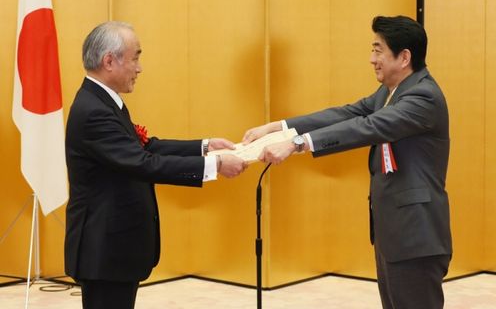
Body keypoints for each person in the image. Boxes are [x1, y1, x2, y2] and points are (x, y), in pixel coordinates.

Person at [243, 16, 452, 309]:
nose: (372, 59)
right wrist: (279, 127)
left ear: (404, 57)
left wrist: (297, 144)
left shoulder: (423, 96)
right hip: (394, 233)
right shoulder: (391, 91)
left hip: (416, 236)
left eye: (378, 50)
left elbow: (365, 127)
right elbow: (347, 114)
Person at [64, 21, 247, 309]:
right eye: (135, 57)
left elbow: (144, 146)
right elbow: (142, 162)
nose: (139, 68)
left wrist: (204, 146)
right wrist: (215, 165)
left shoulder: (104, 101)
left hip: (114, 247)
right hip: (103, 250)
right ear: (109, 61)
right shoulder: (94, 111)